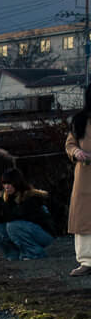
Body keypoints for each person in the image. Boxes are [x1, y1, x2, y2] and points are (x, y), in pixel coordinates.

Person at [0, 168, 54, 261]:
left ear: (17, 183)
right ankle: (14, 254)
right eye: (4, 183)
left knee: (13, 226)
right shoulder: (8, 197)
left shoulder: (30, 197)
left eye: (9, 183)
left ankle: (35, 253)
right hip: (29, 230)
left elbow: (12, 216)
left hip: (44, 234)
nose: (6, 186)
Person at [66, 88, 91, 274]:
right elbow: (70, 143)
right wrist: (76, 152)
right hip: (85, 173)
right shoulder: (80, 121)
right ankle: (86, 261)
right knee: (83, 216)